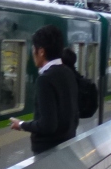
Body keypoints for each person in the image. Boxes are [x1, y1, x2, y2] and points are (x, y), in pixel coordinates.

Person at [10, 25, 78, 153]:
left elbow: (48, 125)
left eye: (33, 49)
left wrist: (21, 124)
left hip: (47, 150)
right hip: (67, 145)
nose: (32, 54)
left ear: (41, 52)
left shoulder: (45, 79)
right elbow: (74, 115)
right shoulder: (68, 73)